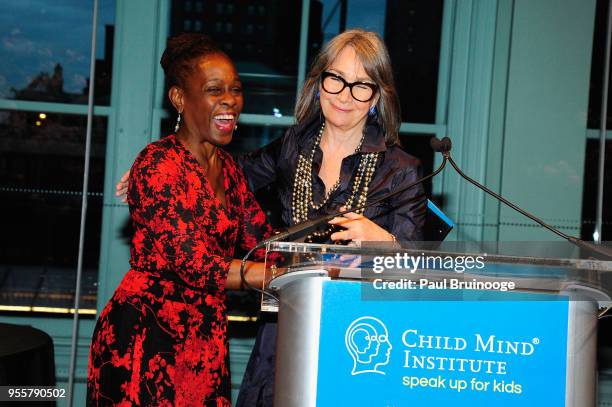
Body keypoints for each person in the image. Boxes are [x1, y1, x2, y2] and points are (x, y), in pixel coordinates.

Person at [115, 29, 426, 406]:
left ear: (377, 95)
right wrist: (168, 165)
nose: (345, 95)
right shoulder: (293, 146)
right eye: (336, 79)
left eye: (361, 85)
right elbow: (229, 175)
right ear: (319, 83)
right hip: (284, 330)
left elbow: (417, 277)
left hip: (358, 336)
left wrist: (382, 241)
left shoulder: (402, 170)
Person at [87, 33, 273, 406]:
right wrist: (270, 275)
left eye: (235, 89)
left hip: (205, 340)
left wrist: (320, 257)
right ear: (179, 98)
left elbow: (265, 241)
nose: (229, 100)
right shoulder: (157, 166)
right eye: (213, 89)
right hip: (146, 338)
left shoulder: (230, 171)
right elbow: (198, 267)